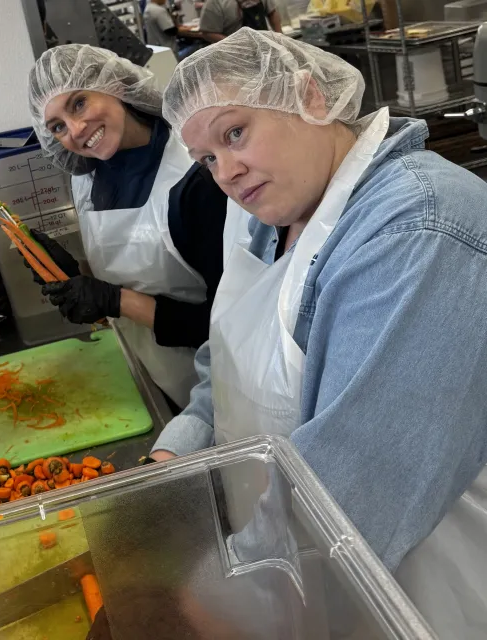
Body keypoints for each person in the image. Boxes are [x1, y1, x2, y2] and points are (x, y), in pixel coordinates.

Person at [152, 28, 487, 638]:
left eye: (234, 132)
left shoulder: (416, 234)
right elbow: (225, 355)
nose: (224, 171)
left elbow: (357, 488)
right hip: (299, 585)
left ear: (308, 96)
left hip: (416, 595)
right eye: (205, 157)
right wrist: (172, 453)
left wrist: (210, 608)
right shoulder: (269, 210)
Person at [28, 44, 228, 408]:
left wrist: (113, 300)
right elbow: (132, 266)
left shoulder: (194, 177)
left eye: (79, 104)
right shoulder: (86, 177)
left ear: (115, 84)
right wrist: (74, 277)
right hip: (145, 377)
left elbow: (228, 323)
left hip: (210, 390)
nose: (75, 130)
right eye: (57, 126)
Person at [199, 0, 282, 41]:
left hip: (264, 46)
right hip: (233, 56)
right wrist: (235, 45)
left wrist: (280, 38)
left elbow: (272, 13)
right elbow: (207, 33)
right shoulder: (214, 3)